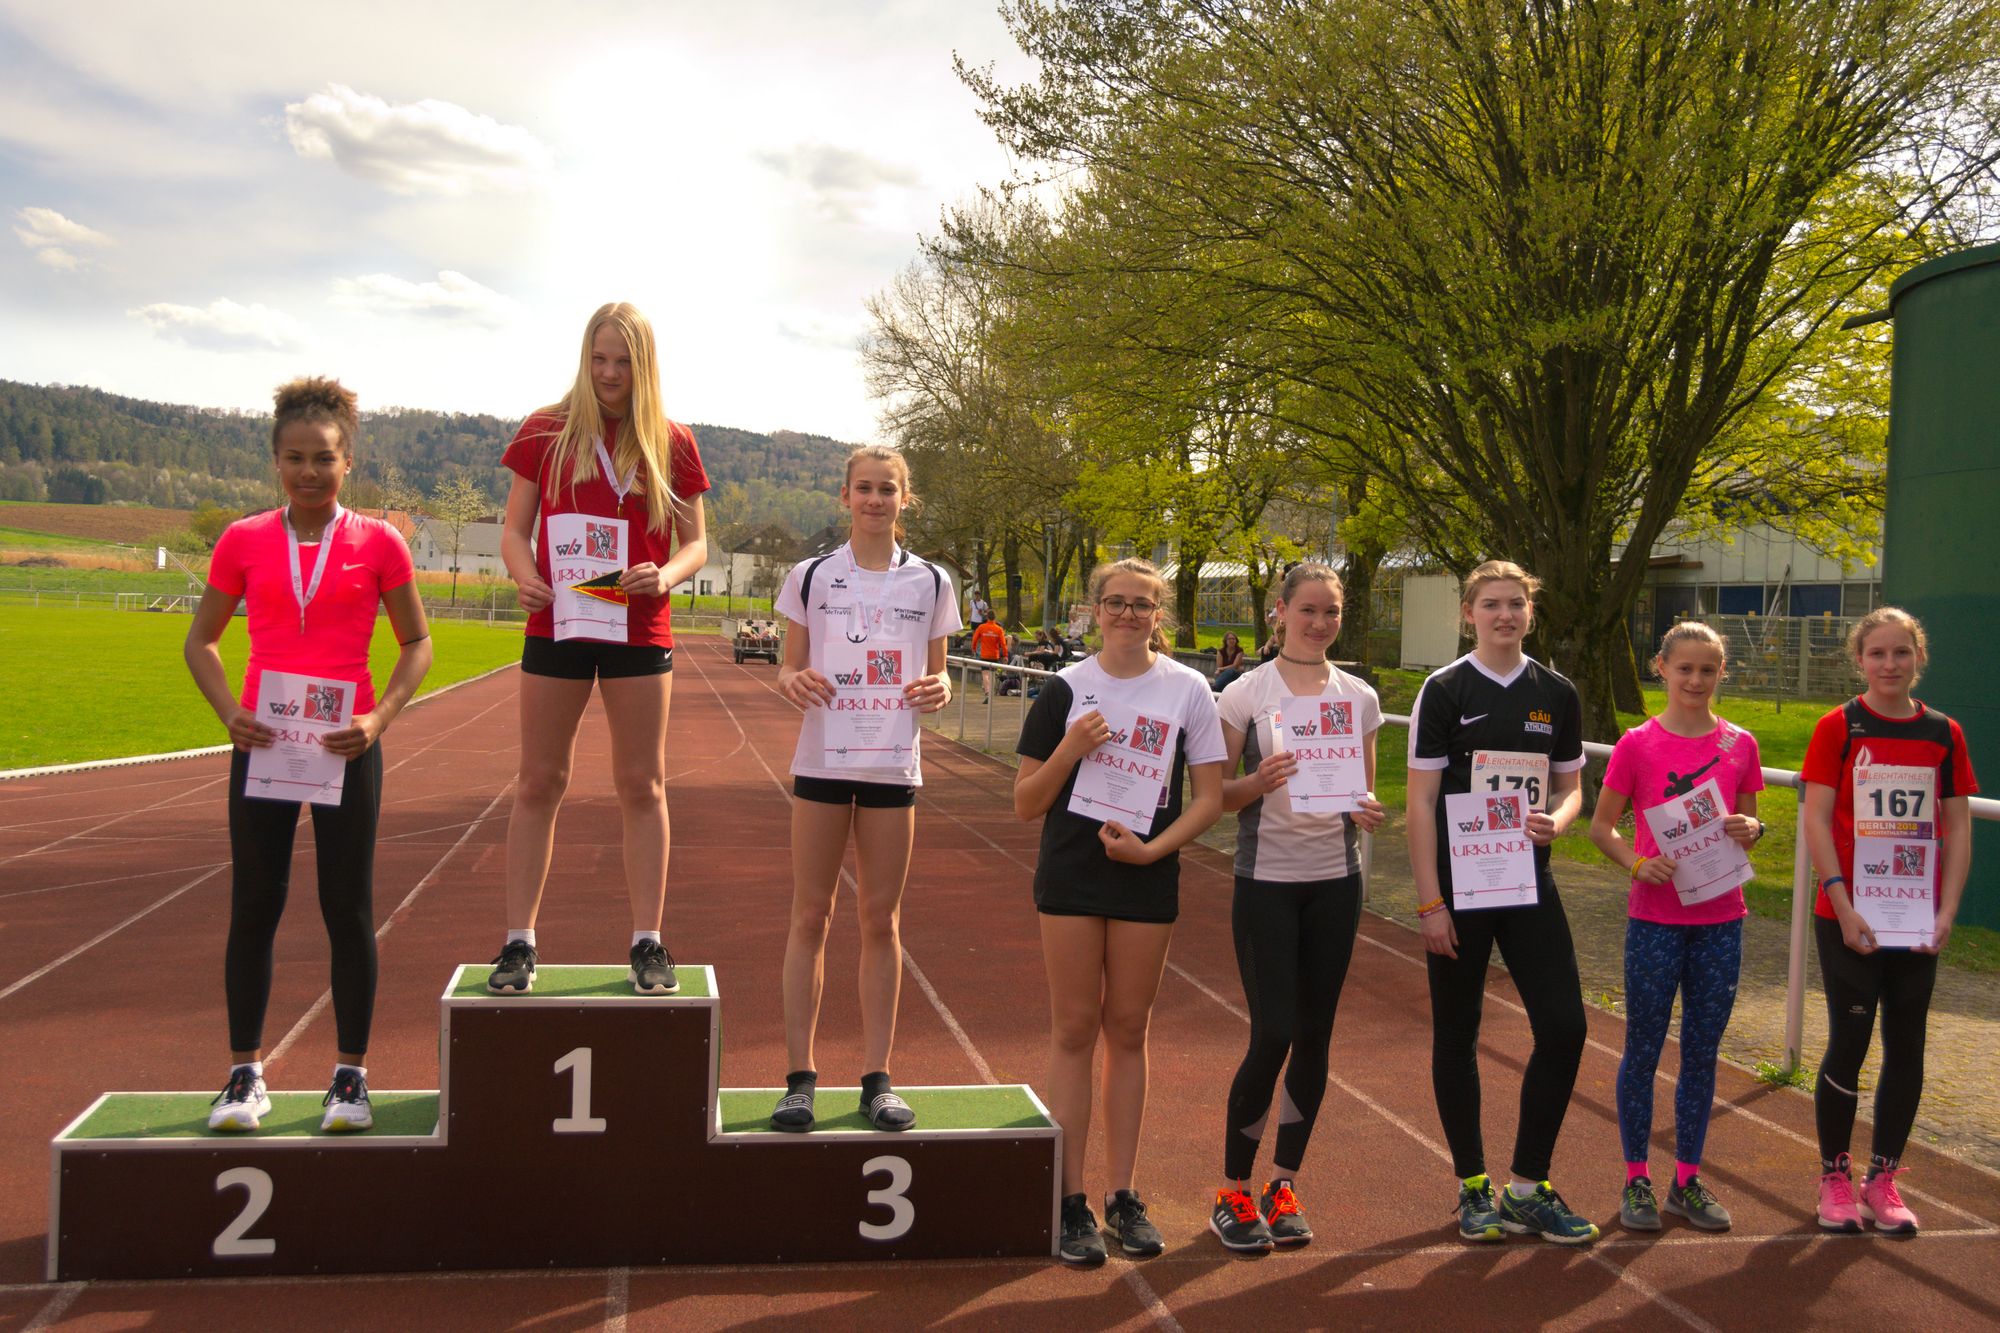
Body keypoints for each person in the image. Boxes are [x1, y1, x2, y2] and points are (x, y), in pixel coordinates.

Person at [186, 377, 433, 1133]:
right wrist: (230, 713)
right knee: (254, 905)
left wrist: (378, 718)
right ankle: (244, 1074)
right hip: (263, 744)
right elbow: (201, 642)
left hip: (345, 747)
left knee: (347, 907)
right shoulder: (242, 540)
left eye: (324, 458)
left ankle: (350, 1077)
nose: (308, 472)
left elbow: (418, 643)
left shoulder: (380, 542)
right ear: (275, 460)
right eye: (294, 458)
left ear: (347, 461)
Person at [486, 302, 709, 996]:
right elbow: (515, 531)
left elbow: (697, 544)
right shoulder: (544, 430)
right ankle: (519, 941)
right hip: (558, 621)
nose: (610, 373)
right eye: (599, 358)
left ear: (644, 365)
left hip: (637, 627)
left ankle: (648, 940)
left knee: (643, 784)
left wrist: (664, 575)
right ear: (585, 359)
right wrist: (524, 576)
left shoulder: (671, 440)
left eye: (623, 361)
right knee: (538, 780)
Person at [1014, 558, 1226, 1265]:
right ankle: (1069, 1197)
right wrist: (1071, 747)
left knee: (1130, 1029)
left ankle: (1123, 1194)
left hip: (1145, 877)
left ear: (1158, 614)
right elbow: (1025, 802)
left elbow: (1209, 798)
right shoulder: (1065, 689)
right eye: (1116, 602)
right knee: (1074, 1029)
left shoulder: (1188, 689)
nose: (1128, 614)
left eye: (1142, 604)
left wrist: (1152, 850)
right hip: (1072, 875)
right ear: (1095, 610)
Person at [1407, 560, 1596, 1244]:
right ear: (1469, 613)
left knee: (1566, 1027)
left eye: (1516, 603)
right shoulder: (1444, 689)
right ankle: (1472, 1185)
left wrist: (1560, 821)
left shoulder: (1557, 691)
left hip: (1526, 882)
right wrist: (1430, 903)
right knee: (1457, 1034)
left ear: (1531, 612)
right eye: (1491, 604)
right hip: (1458, 889)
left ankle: (1526, 1185)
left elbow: (1572, 787)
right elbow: (1420, 803)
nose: (1505, 614)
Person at [770, 446, 958, 1132]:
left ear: (905, 499)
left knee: (881, 920)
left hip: (890, 764)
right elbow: (788, 667)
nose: (876, 500)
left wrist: (940, 688)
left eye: (888, 489)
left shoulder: (932, 580)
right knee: (810, 915)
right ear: (845, 496)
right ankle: (799, 1078)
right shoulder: (811, 574)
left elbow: (939, 675)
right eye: (865, 488)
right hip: (823, 761)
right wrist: (794, 681)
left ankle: (877, 1078)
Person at [1211, 564, 1386, 1250]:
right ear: (1280, 612)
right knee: (1272, 1032)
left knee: (1314, 1035)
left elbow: (1363, 791)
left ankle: (1283, 1183)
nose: (1319, 623)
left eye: (1331, 612)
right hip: (1267, 882)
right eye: (1308, 610)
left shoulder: (1359, 697)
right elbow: (1215, 796)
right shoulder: (1244, 693)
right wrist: (1257, 781)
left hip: (1336, 883)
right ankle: (1232, 1188)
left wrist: (1369, 809)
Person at [1801, 607, 1976, 1236]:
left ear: (1918, 657)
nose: (1890, 664)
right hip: (1849, 916)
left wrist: (1947, 911)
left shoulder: (1943, 732)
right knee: (1849, 1043)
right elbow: (1815, 818)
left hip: (1916, 920)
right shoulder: (1838, 726)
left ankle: (1883, 1179)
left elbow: (1958, 827)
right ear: (1860, 660)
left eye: (1901, 652)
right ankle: (1834, 1177)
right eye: (1877, 653)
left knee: (1907, 1046)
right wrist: (1842, 902)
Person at [1588, 622, 1764, 1233]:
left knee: (1702, 1053)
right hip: (1656, 920)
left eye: (1707, 669)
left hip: (1720, 920)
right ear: (1660, 668)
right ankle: (1636, 1178)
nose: (1695, 680)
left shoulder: (1741, 744)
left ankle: (1686, 1180)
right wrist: (1637, 864)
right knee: (1643, 1047)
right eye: (1684, 668)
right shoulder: (1637, 744)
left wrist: (1752, 829)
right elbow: (1601, 828)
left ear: (1722, 673)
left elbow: (1749, 825)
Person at [970, 616, 1009, 701]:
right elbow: (1003, 644)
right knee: (992, 675)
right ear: (995, 618)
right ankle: (991, 692)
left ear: (988, 617)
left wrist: (973, 648)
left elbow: (974, 639)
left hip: (985, 655)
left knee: (985, 674)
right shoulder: (999, 629)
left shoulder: (982, 627)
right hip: (995, 655)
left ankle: (987, 692)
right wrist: (1005, 655)